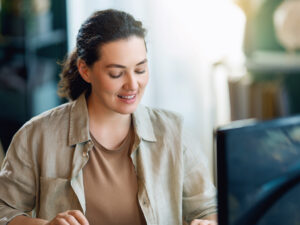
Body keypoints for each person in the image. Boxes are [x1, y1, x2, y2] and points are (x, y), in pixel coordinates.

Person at [0, 9, 217, 225]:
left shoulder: (174, 132)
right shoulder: (37, 136)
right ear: (85, 70)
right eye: (116, 73)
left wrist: (208, 222)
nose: (132, 85)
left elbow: (208, 208)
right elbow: (4, 211)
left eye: (140, 70)